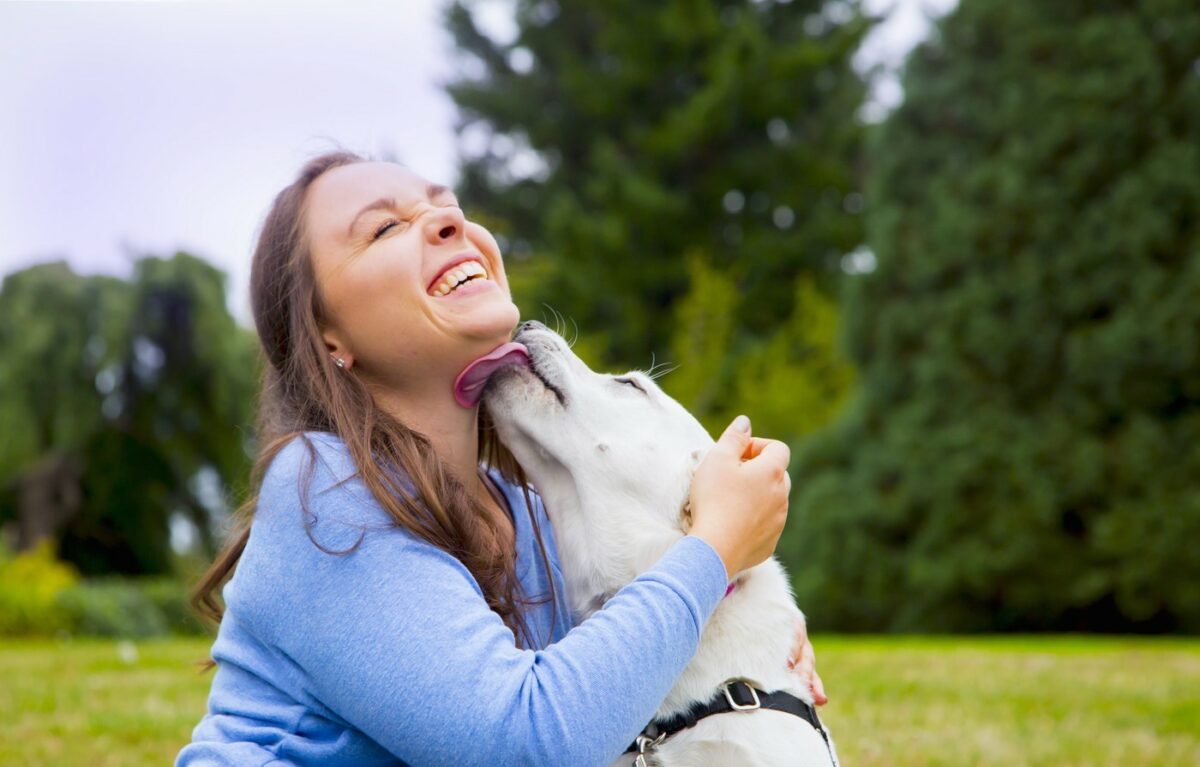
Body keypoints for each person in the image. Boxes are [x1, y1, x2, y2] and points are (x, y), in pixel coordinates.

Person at [175, 150, 827, 766]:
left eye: (447, 205)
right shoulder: (323, 490)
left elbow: (617, 670)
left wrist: (750, 647)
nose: (449, 221)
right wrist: (713, 550)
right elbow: (522, 745)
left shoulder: (532, 514)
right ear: (327, 334)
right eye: (383, 229)